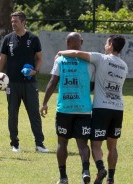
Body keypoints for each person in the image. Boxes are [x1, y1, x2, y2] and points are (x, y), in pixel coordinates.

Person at [57, 35, 127, 184]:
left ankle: (101, 168)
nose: (104, 45)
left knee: (96, 144)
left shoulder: (101, 58)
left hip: (102, 108)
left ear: (111, 46)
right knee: (112, 146)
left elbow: (76, 54)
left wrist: (61, 52)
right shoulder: (124, 66)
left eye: (107, 43)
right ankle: (110, 179)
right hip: (118, 108)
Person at [40, 32, 95, 184]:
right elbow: (92, 85)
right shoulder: (89, 62)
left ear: (67, 43)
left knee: (62, 143)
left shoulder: (60, 60)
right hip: (83, 109)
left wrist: (44, 102)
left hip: (65, 109)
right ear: (81, 42)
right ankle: (85, 171)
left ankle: (63, 177)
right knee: (83, 144)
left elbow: (52, 82)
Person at [0, 11, 49, 153]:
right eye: (12, 21)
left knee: (34, 113)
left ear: (23, 21)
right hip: (12, 83)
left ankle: (39, 144)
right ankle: (14, 144)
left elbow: (40, 58)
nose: (13, 24)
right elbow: (2, 59)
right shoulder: (8, 39)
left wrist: (35, 71)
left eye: (16, 21)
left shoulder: (33, 38)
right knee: (12, 113)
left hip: (30, 84)